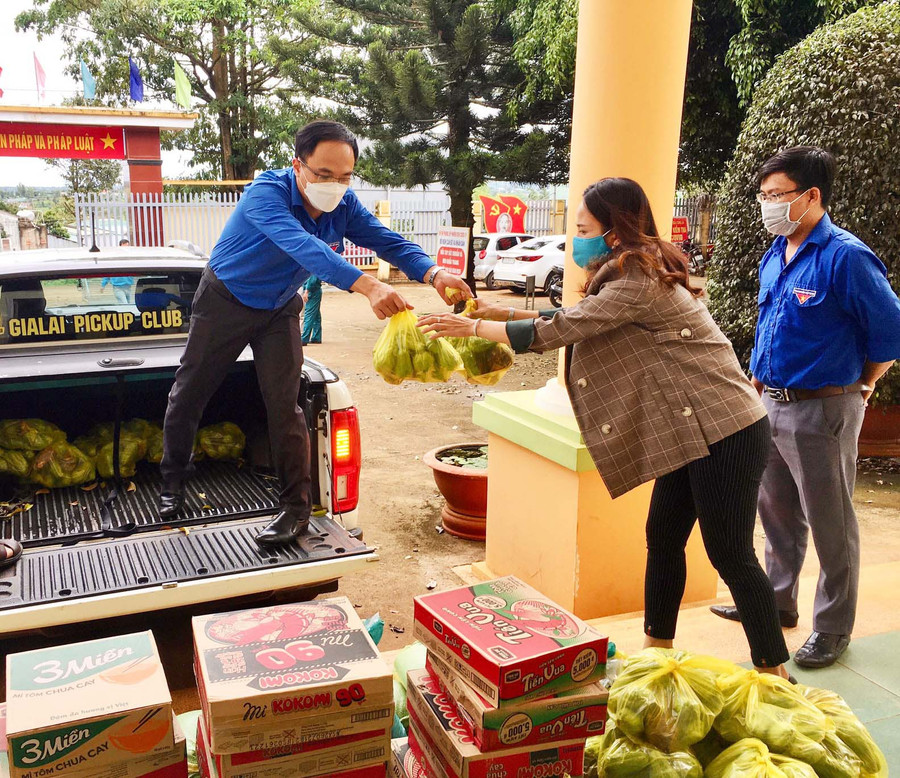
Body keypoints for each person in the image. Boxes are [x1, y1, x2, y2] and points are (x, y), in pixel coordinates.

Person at [420, 178, 793, 677]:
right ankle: (656, 655)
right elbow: (581, 316)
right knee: (662, 537)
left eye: (582, 229)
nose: (576, 239)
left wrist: (474, 327)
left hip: (726, 426)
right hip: (690, 428)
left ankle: (774, 673)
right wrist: (502, 311)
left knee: (729, 552)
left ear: (614, 232)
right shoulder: (629, 271)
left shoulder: (637, 277)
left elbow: (564, 329)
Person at [159, 120, 471, 546]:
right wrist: (366, 285)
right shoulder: (265, 194)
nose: (335, 186)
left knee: (286, 405)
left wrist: (433, 273)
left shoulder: (344, 206)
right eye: (323, 175)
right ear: (298, 166)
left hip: (279, 309)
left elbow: (388, 242)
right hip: (225, 302)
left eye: (345, 177)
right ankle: (173, 481)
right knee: (191, 391)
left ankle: (295, 509)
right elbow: (305, 247)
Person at [711, 147, 900, 668]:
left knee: (831, 520)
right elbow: (773, 326)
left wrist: (862, 383)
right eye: (763, 196)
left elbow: (890, 331)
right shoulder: (777, 252)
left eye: (777, 195)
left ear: (811, 196)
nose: (767, 205)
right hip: (769, 404)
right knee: (775, 512)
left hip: (824, 411)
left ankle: (833, 627)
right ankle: (777, 600)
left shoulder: (846, 256)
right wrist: (757, 378)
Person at [100, 238, 136, 304]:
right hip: (118, 287)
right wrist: (103, 285)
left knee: (128, 304)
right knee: (125, 304)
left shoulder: (130, 258)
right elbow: (107, 272)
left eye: (127, 247)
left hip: (128, 286)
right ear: (120, 246)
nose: (126, 249)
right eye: (125, 247)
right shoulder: (114, 259)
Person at [301, 275, 323, 345]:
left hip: (312, 291)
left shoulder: (312, 266)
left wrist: (306, 291)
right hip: (314, 290)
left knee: (309, 315)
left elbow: (312, 280)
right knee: (316, 315)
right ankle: (316, 337)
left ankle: (304, 338)